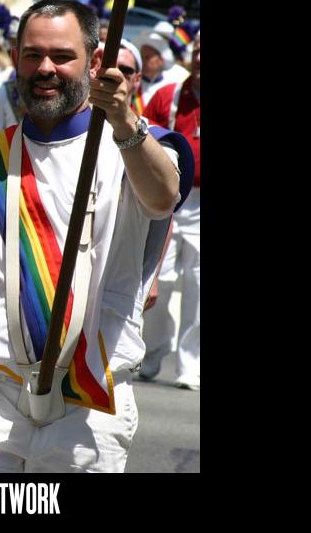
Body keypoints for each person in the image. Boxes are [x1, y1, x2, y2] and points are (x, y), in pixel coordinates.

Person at [0, 0, 192, 473]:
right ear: (16, 57)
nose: (45, 69)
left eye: (62, 56)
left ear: (95, 62)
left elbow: (163, 198)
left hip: (93, 396)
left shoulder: (138, 147)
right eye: (33, 54)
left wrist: (125, 122)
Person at [140, 31, 201, 390]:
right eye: (198, 51)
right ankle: (153, 353)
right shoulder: (169, 95)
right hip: (172, 197)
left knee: (197, 285)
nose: (200, 58)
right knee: (157, 279)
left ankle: (191, 365)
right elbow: (145, 136)